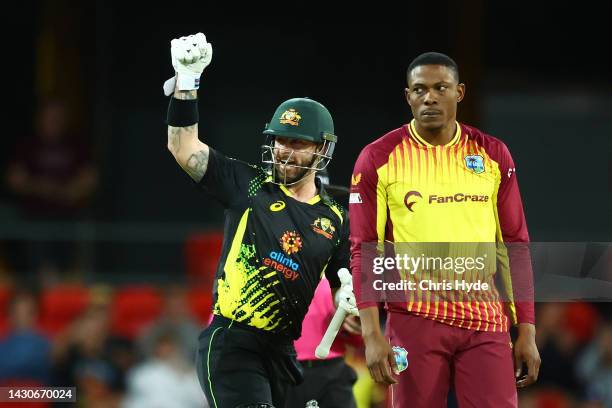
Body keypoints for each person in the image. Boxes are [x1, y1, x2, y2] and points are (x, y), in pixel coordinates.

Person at [163, 33, 356, 408]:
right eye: (280, 140)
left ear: (321, 149)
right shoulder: (249, 186)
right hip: (233, 342)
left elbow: (343, 282)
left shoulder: (335, 218)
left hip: (283, 353)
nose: (285, 151)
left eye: (298, 143)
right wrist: (187, 84)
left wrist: (351, 301)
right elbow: (182, 147)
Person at [349, 52, 541, 407]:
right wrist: (372, 333)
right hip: (413, 320)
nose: (430, 97)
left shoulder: (493, 155)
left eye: (441, 88)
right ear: (408, 96)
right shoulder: (379, 158)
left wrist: (526, 329)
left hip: (484, 318)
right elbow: (365, 249)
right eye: (420, 89)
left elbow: (515, 244)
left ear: (460, 92)